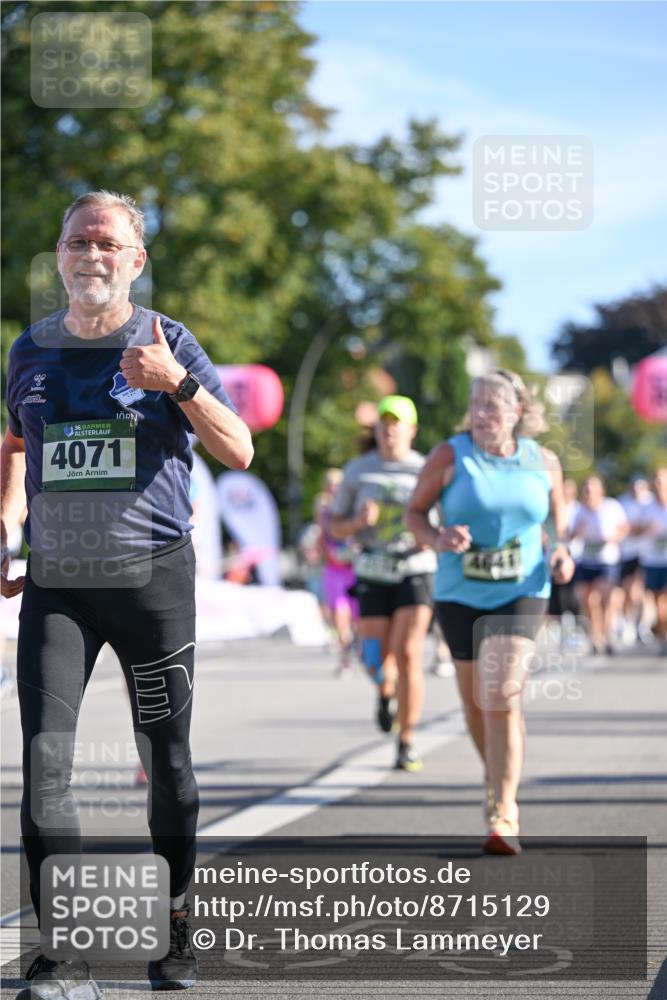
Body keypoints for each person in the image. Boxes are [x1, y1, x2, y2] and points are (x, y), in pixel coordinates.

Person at [0, 190, 253, 999]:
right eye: (78, 240)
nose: (92, 253)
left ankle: (177, 923)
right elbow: (15, 443)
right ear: (61, 255)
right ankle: (60, 951)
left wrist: (178, 385)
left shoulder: (168, 341)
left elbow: (240, 449)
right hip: (58, 586)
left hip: (152, 580)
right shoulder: (28, 351)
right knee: (45, 764)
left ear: (135, 260)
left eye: (108, 241)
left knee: (164, 758)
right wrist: (7, 522)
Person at [406, 369, 574, 854]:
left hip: (522, 588)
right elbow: (414, 514)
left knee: (501, 692)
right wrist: (437, 538)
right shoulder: (448, 455)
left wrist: (561, 551)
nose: (481, 414)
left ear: (517, 412)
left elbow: (559, 523)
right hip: (460, 592)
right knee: (476, 705)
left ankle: (503, 811)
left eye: (492, 406)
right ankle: (497, 773)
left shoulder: (543, 461)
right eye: (476, 404)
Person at [329, 395, 437, 771]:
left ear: (412, 430)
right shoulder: (359, 471)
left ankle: (407, 740)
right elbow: (333, 525)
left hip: (414, 566)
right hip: (373, 569)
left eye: (397, 423)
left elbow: (438, 523)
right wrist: (357, 522)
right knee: (375, 658)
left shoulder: (426, 469)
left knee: (409, 653)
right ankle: (385, 690)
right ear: (375, 429)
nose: (390, 430)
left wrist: (430, 534)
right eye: (384, 423)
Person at [570, 475, 629, 655]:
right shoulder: (578, 511)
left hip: (607, 560)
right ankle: (595, 637)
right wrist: (578, 531)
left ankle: (608, 633)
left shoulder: (611, 506)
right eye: (586, 489)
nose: (589, 492)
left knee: (607, 598)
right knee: (589, 601)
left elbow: (624, 527)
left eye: (592, 488)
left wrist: (615, 538)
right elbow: (570, 534)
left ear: (600, 490)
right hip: (586, 559)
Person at [315, 469, 359, 675]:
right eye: (330, 484)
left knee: (359, 620)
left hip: (354, 570)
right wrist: (317, 550)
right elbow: (322, 537)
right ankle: (345, 659)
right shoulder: (324, 509)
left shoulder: (354, 507)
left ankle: (363, 652)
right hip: (333, 570)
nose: (334, 488)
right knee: (340, 616)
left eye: (337, 484)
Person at [617, 475, 654, 646]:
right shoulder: (623, 502)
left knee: (644, 591)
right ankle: (630, 621)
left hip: (648, 553)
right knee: (630, 591)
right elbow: (625, 527)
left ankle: (643, 624)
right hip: (628, 552)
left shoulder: (650, 502)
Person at [638, 467, 667, 655]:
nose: (659, 484)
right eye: (655, 480)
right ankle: (664, 638)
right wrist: (646, 529)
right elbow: (633, 530)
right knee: (658, 604)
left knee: (665, 600)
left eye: (662, 480)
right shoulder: (646, 506)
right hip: (652, 560)